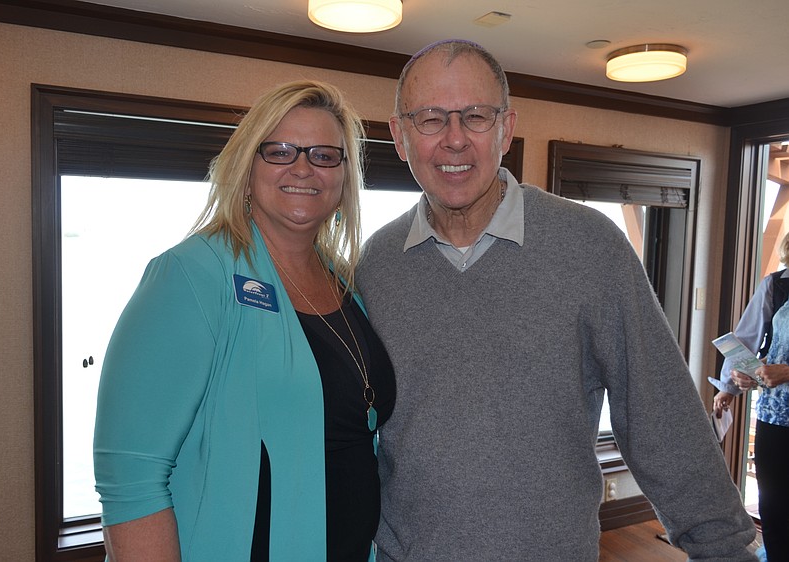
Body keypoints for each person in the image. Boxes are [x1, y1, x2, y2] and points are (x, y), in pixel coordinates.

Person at [356, 39, 756, 561]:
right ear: (400, 136)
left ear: (505, 127)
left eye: (475, 116)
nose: (454, 140)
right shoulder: (375, 265)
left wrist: (723, 548)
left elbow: (661, 415)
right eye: (430, 119)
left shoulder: (591, 247)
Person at [93, 80, 396, 561]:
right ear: (246, 166)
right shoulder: (192, 274)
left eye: (323, 155)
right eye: (278, 151)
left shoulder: (345, 282)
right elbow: (131, 478)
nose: (302, 167)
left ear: (343, 177)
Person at [713, 232, 789, 562]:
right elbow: (744, 339)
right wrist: (730, 385)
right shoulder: (775, 286)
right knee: (774, 505)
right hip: (774, 418)